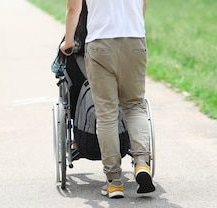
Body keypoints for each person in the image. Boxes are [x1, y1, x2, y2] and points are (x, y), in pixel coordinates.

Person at [60, 0, 154, 199]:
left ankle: (114, 182)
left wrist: (68, 41)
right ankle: (142, 163)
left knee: (106, 114)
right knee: (135, 106)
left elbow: (73, 9)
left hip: (100, 42)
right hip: (134, 39)